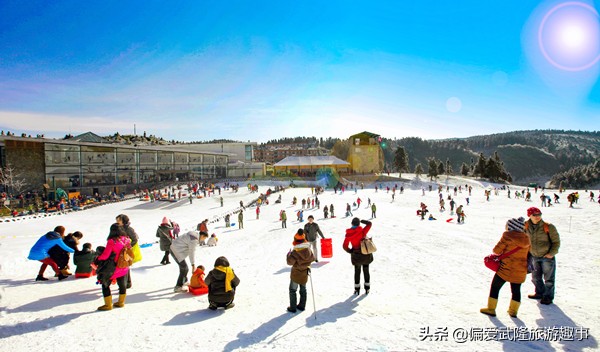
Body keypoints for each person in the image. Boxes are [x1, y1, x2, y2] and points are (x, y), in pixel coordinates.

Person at [480, 217, 530, 317]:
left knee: (495, 287)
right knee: (516, 290)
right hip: (520, 270)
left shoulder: (507, 236)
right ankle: (513, 311)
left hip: (506, 269)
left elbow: (496, 251)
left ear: (511, 227)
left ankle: (491, 309)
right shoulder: (526, 238)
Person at [525, 207, 560, 305]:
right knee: (535, 278)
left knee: (548, 279)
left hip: (547, 257)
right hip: (534, 256)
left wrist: (551, 254)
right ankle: (539, 293)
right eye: (534, 215)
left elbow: (556, 242)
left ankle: (548, 297)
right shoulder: (526, 226)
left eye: (539, 214)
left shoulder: (548, 226)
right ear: (529, 216)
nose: (537, 217)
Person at [96, 224, 131, 311]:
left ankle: (108, 305)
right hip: (124, 266)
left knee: (105, 284)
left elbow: (105, 255)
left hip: (113, 268)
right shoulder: (127, 239)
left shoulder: (112, 241)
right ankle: (121, 302)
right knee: (122, 285)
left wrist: (97, 259)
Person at [286, 230, 315, 313]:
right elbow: (312, 258)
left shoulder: (295, 251)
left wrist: (288, 254)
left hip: (296, 273)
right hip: (304, 273)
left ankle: (293, 307)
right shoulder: (308, 249)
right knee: (303, 289)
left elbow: (289, 262)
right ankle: (302, 306)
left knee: (292, 290)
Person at [342, 218, 373, 295]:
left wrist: (351, 251)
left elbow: (345, 246)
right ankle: (367, 288)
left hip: (356, 255)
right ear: (358, 224)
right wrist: (362, 221)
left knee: (357, 271)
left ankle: (357, 289)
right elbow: (369, 224)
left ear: (352, 224)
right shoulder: (362, 231)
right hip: (365, 254)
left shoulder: (349, 234)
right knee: (366, 270)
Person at [116, 214, 139, 288]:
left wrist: (128, 247)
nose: (117, 221)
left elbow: (134, 240)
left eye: (119, 220)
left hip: (126, 251)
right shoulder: (117, 228)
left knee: (125, 266)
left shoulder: (129, 229)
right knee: (120, 266)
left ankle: (127, 283)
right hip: (118, 250)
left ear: (123, 221)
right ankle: (123, 282)